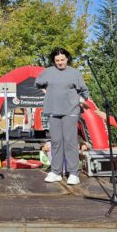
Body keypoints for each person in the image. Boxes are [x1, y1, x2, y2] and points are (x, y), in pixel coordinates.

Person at [35, 47, 89, 185]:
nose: (60, 62)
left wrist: (80, 100)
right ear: (53, 61)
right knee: (56, 142)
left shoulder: (75, 73)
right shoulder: (48, 72)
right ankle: (56, 172)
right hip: (54, 110)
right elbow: (37, 83)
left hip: (70, 111)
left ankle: (73, 173)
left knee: (70, 142)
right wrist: (45, 90)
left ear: (67, 59)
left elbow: (84, 91)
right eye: (57, 60)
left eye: (62, 60)